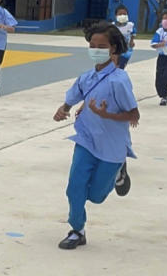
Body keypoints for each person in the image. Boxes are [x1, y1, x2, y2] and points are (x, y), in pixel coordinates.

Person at [52, 22, 139, 250]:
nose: (96, 49)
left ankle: (119, 171)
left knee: (97, 196)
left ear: (113, 49)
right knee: (75, 188)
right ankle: (77, 230)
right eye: (92, 45)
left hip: (111, 145)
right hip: (86, 140)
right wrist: (64, 108)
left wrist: (106, 114)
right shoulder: (86, 77)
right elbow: (73, 96)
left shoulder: (119, 80)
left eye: (101, 46)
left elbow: (133, 114)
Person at [113, 5, 136, 69]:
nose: (122, 15)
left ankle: (119, 72)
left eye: (124, 14)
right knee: (114, 63)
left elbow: (133, 33)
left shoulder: (130, 25)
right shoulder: (112, 26)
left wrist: (132, 41)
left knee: (122, 64)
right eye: (120, 14)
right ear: (116, 15)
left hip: (126, 49)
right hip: (115, 48)